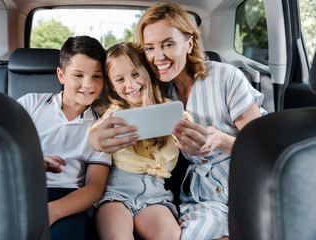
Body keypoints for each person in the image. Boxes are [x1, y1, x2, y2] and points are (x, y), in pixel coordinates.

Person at [90, 3, 267, 240]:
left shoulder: (227, 78)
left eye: (168, 44)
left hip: (247, 183)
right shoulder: (155, 94)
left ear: (190, 43)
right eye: (149, 47)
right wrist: (97, 138)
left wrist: (220, 140)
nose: (158, 56)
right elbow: (108, 119)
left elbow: (262, 149)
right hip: (203, 197)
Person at [90, 42, 194, 240]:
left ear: (147, 72)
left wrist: (185, 134)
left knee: (170, 235)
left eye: (136, 74)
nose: (131, 84)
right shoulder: (116, 112)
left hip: (156, 194)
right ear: (112, 86)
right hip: (117, 191)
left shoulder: (170, 109)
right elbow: (96, 135)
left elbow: (188, 127)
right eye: (120, 79)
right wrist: (98, 139)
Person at [17, 35, 112, 240]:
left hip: (68, 199)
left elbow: (95, 187)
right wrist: (31, 162)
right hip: (21, 188)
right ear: (61, 75)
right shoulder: (30, 104)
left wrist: (53, 211)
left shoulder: (102, 126)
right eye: (78, 75)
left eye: (96, 76)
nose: (88, 84)